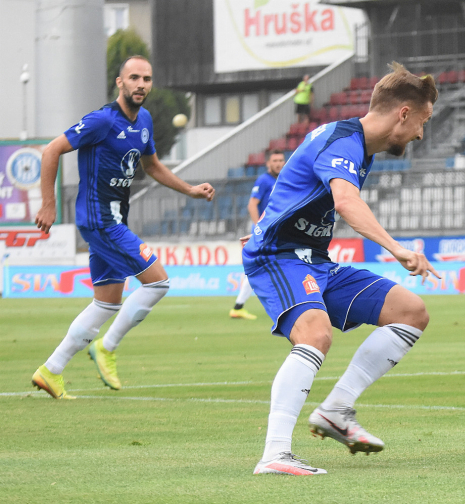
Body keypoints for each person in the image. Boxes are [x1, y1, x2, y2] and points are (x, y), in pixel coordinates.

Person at [246, 62, 439, 475]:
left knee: (411, 312)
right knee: (315, 332)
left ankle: (336, 410)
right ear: (403, 113)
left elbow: (298, 192)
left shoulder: (358, 148)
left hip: (313, 260)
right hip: (277, 256)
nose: (421, 134)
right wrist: (397, 249)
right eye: (422, 121)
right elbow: (347, 204)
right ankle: (275, 454)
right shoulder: (344, 142)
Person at [30, 56, 214, 399]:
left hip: (114, 218)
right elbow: (51, 150)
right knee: (158, 281)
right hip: (101, 220)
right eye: (134, 78)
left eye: (146, 78)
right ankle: (107, 347)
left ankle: (51, 371)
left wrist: (189, 189)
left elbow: (152, 165)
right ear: (120, 83)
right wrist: (49, 203)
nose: (141, 84)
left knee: (107, 302)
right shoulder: (101, 121)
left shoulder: (143, 120)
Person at [229, 149, 285, 320]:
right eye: (275, 160)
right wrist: (258, 227)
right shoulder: (264, 180)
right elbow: (252, 205)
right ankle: (239, 306)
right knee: (265, 268)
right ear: (268, 163)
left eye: (281, 160)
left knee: (262, 268)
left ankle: (239, 307)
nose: (278, 163)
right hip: (267, 233)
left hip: (278, 231)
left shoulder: (283, 180)